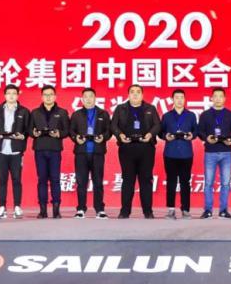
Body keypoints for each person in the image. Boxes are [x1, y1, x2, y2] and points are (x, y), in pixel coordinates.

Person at [110, 84, 161, 219]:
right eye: (132, 92)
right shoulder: (121, 108)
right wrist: (120, 135)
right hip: (127, 147)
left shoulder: (150, 108)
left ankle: (148, 211)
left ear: (142, 95)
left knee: (146, 180)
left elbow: (157, 125)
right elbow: (113, 125)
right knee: (128, 180)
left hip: (146, 148)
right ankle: (125, 211)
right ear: (128, 95)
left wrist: (150, 134)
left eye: (138, 92)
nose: (135, 94)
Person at [0, 84, 31, 219]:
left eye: (14, 93)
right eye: (9, 93)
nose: (11, 96)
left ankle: (17, 206)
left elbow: (28, 129)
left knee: (16, 179)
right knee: (2, 179)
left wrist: (23, 136)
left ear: (18, 95)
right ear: (5, 95)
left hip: (16, 150)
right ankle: (2, 206)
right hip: (1, 149)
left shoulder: (24, 111)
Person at [197, 87, 231, 219]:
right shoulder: (205, 114)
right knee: (208, 183)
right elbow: (200, 131)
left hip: (226, 152)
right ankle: (208, 210)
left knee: (225, 183)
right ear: (212, 98)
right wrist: (207, 138)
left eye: (220, 96)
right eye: (215, 96)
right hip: (210, 152)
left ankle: (223, 210)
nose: (218, 99)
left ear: (224, 98)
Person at [69, 87, 111, 219]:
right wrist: (76, 138)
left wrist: (103, 137)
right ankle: (81, 208)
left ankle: (100, 209)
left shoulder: (103, 114)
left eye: (91, 96)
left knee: (98, 181)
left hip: (97, 152)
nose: (88, 99)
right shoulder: (76, 114)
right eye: (85, 97)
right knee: (81, 182)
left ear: (95, 98)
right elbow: (71, 131)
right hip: (81, 152)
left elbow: (109, 131)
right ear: (82, 99)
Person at [29, 85, 70, 219]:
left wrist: (59, 133)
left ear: (55, 96)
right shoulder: (35, 112)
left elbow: (67, 130)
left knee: (55, 179)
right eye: (45, 95)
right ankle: (43, 210)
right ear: (42, 97)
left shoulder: (62, 112)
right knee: (42, 180)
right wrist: (34, 133)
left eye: (51, 94)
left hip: (54, 149)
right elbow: (29, 130)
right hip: (40, 149)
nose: (48, 97)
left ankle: (56, 210)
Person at [160, 89, 198, 220]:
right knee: (171, 181)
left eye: (182, 97)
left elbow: (196, 131)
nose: (179, 100)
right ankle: (171, 209)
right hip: (170, 153)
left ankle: (185, 209)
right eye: (177, 97)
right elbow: (160, 132)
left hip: (186, 153)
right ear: (172, 100)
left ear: (185, 99)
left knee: (185, 182)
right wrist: (166, 136)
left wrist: (192, 135)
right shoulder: (166, 116)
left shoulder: (191, 115)